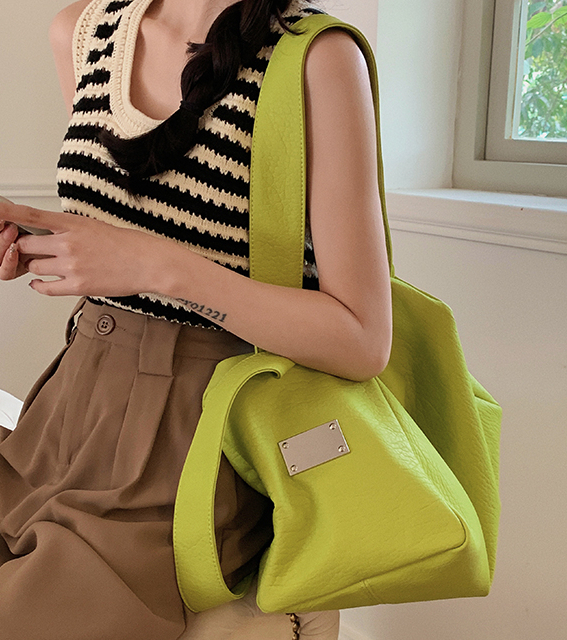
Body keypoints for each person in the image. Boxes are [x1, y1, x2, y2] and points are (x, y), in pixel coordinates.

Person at [0, 0, 392, 638]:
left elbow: (362, 338)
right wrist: (37, 243)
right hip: (65, 412)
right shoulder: (85, 32)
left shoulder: (314, 56)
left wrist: (157, 266)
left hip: (196, 447)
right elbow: (119, 226)